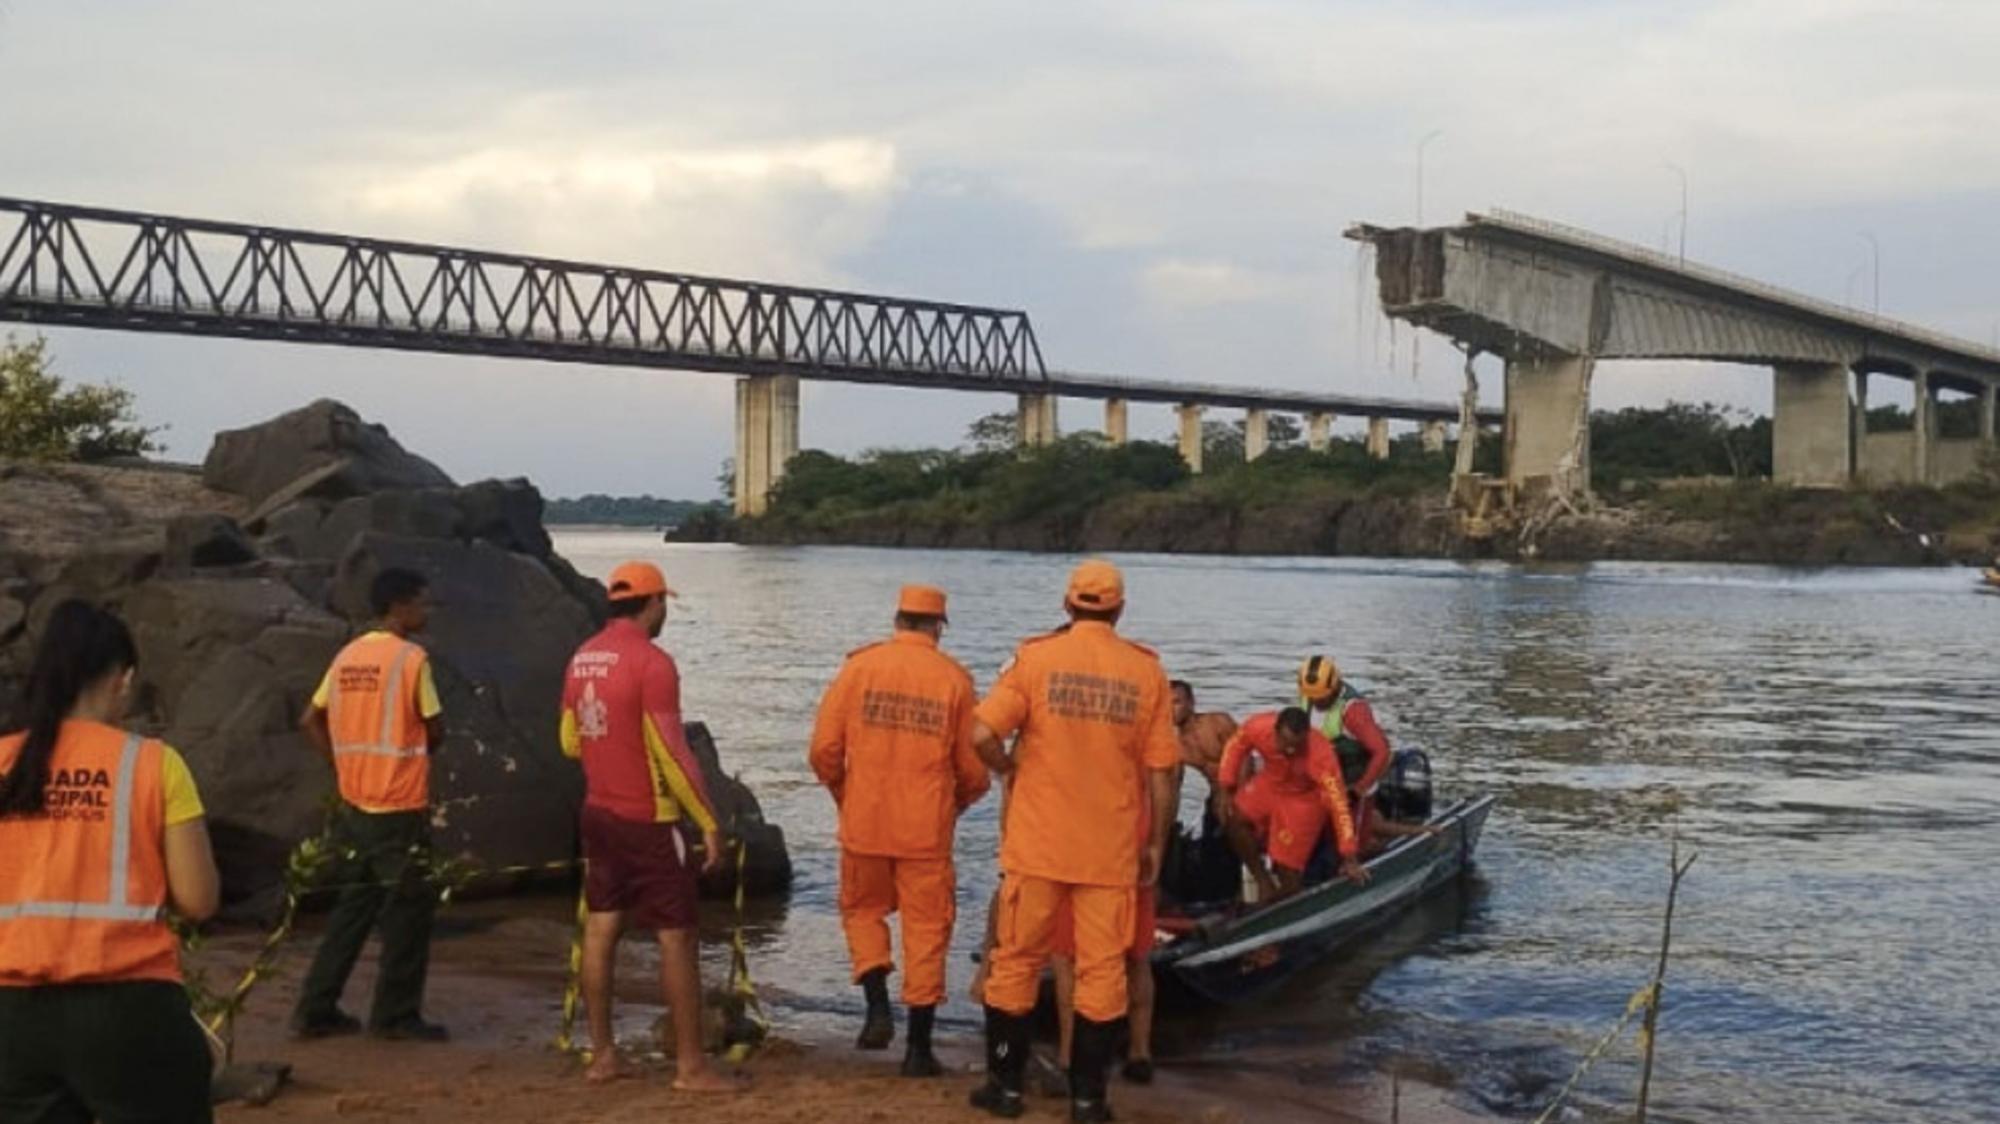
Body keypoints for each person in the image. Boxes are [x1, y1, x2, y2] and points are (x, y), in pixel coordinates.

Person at [967, 560, 1180, 1123]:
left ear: (1067, 606)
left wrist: (1008, 767)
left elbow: (981, 732)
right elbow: (1163, 771)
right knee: (1102, 973)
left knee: (1013, 965)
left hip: (1037, 848)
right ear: (1119, 609)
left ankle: (1005, 1088)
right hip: (1109, 854)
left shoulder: (1035, 660)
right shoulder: (1146, 672)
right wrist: (1156, 844)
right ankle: (1089, 1100)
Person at [0, 600, 221, 1122]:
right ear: (123, 680)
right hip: (130, 1009)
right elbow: (198, 900)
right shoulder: (152, 764)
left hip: (9, 1017)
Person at [559, 561, 741, 1093]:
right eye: (665, 604)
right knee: (677, 937)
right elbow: (673, 751)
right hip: (649, 819)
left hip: (598, 811)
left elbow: (569, 740)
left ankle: (604, 1056)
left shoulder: (582, 657)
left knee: (601, 929)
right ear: (654, 602)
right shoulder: (652, 663)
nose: (665, 613)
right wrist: (709, 822)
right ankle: (691, 1067)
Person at [808, 584, 989, 1076]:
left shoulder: (858, 669)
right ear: (938, 626)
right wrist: (956, 805)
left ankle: (876, 1006)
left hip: (864, 822)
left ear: (898, 619)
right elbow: (974, 771)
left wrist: (848, 795)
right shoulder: (955, 679)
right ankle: (917, 1051)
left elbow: (823, 750)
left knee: (862, 911)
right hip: (925, 831)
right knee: (926, 932)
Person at [293, 567, 450, 1041]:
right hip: (397, 804)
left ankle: (316, 1005)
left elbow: (309, 720)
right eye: (423, 602)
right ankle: (396, 1015)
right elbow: (435, 727)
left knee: (354, 906)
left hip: (355, 801)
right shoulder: (410, 659)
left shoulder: (348, 656)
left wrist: (342, 765)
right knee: (409, 908)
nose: (428, 611)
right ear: (399, 607)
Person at [1217, 708, 1367, 903]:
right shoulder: (1258, 726)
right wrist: (1225, 787)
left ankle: (1283, 902)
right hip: (1271, 782)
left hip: (1304, 798)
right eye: (1285, 743)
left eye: (1296, 746)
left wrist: (1349, 856)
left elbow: (1338, 803)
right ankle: (1263, 881)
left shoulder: (1320, 754)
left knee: (1286, 866)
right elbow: (1235, 747)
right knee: (1234, 817)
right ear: (1275, 730)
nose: (1290, 750)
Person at [1296, 656, 1392, 809]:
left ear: (1334, 687)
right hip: (1320, 782)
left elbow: (1382, 752)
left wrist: (1360, 789)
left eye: (1321, 697)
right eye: (1311, 697)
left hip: (1352, 783)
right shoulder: (1308, 695)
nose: (1315, 702)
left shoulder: (1354, 712)